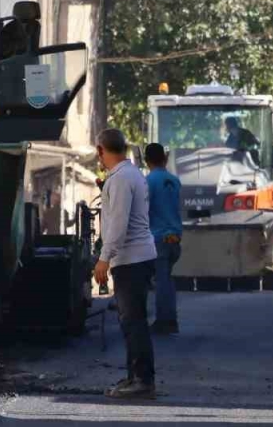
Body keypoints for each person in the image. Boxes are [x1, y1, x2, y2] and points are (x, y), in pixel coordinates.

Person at [94, 129, 159, 400]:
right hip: (137, 257)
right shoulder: (132, 174)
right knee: (131, 321)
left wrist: (103, 259)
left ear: (101, 151)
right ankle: (135, 376)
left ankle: (142, 380)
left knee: (133, 322)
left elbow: (118, 224)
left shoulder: (120, 179)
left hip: (130, 258)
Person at [144, 143, 183, 336]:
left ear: (146, 160)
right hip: (174, 238)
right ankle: (170, 319)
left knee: (160, 281)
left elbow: (143, 210)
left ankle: (165, 321)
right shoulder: (175, 181)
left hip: (158, 238)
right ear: (165, 158)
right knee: (166, 279)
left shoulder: (147, 182)